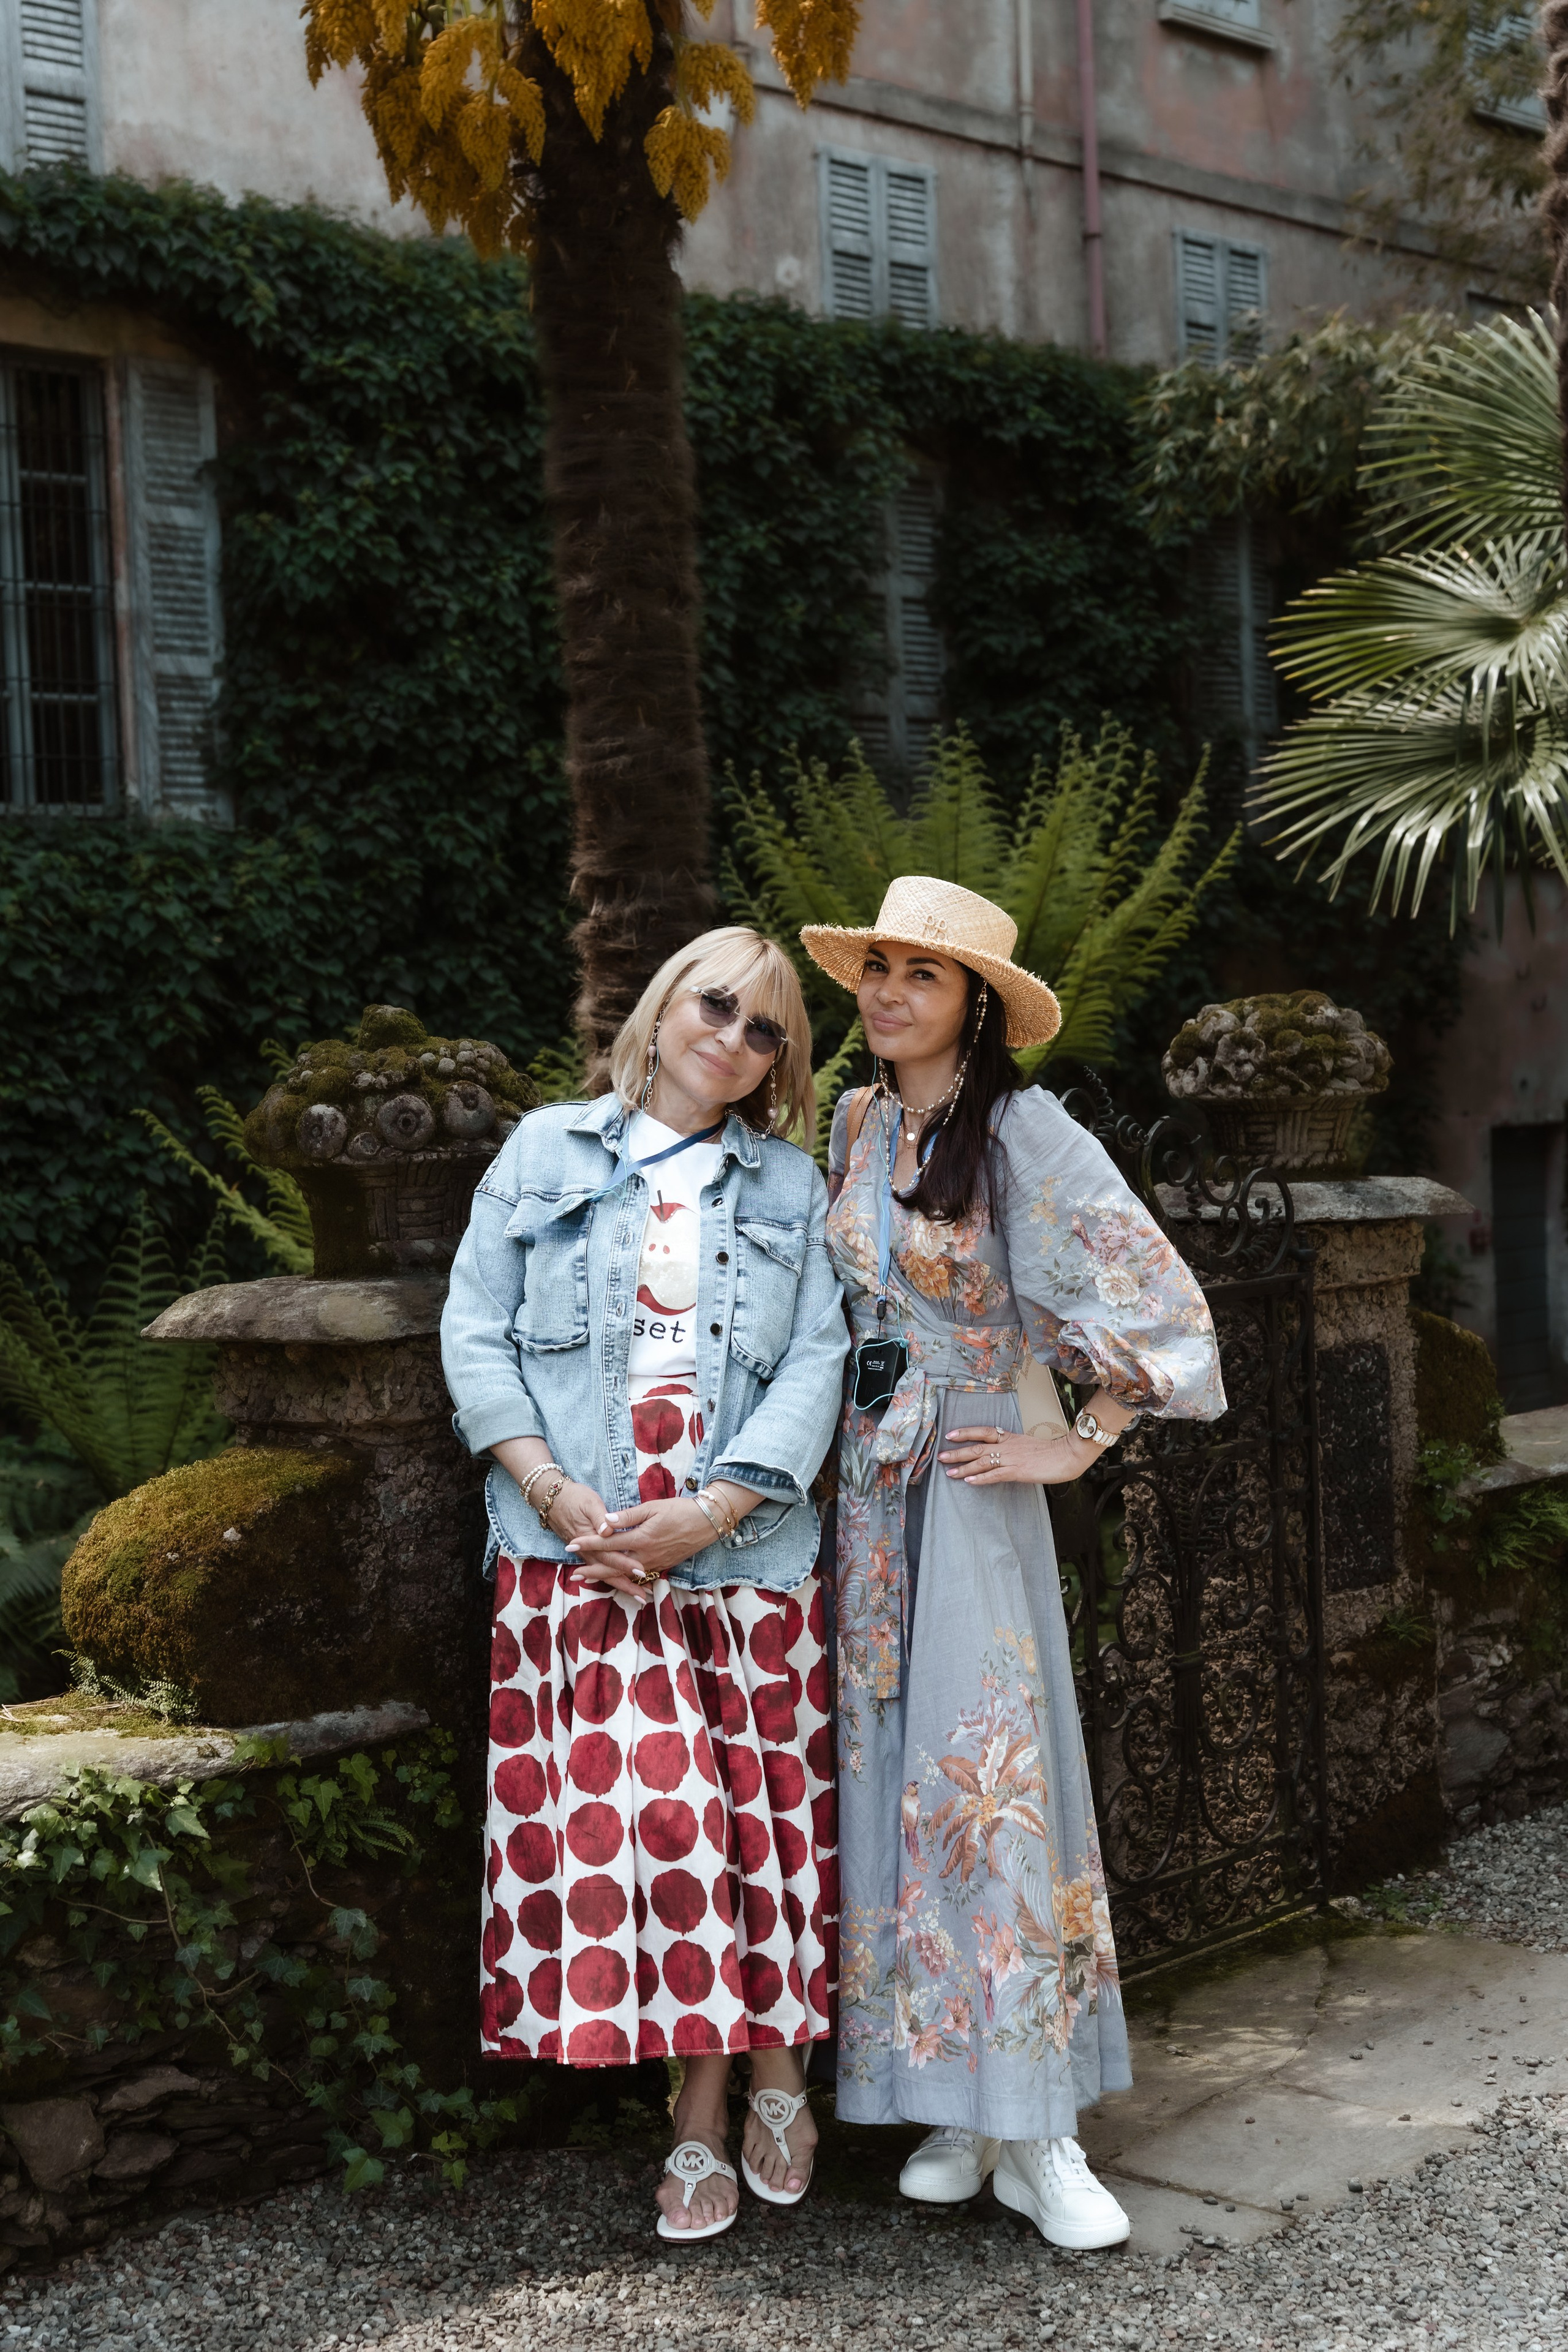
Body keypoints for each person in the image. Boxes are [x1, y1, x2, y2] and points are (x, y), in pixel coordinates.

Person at [800, 876, 1226, 2251]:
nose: (887, 993)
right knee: (892, 1782)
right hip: (873, 1494)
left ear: (976, 1007)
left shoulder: (1024, 1133)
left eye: (921, 975)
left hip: (975, 1484)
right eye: (878, 967)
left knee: (992, 1785)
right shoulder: (857, 1123)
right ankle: (953, 2106)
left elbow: (1160, 1307)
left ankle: (1040, 2129)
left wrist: (1078, 1440)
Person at [441, 927, 848, 2244]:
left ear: (779, 1065)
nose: (732, 1038)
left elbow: (819, 1361)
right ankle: (729, 2089)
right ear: (664, 1006)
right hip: (584, 1560)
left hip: (741, 1557)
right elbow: (473, 1330)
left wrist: (716, 1507)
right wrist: (556, 1494)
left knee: (759, 1836)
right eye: (715, 1006)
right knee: (666, 1836)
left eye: (766, 1030)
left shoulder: (790, 1185)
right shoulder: (542, 1153)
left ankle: (735, 2096)